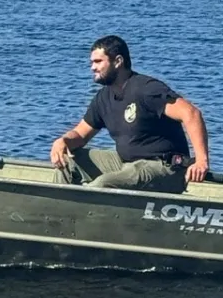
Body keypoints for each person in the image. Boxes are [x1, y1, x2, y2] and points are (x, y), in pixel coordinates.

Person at [50, 35, 210, 192]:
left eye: (98, 62)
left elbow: (191, 113)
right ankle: (53, 213)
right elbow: (80, 134)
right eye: (92, 62)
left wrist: (201, 161)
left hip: (165, 167)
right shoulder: (103, 97)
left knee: (104, 184)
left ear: (118, 61)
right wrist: (63, 141)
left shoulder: (146, 89)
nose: (93, 67)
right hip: (126, 162)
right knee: (68, 163)